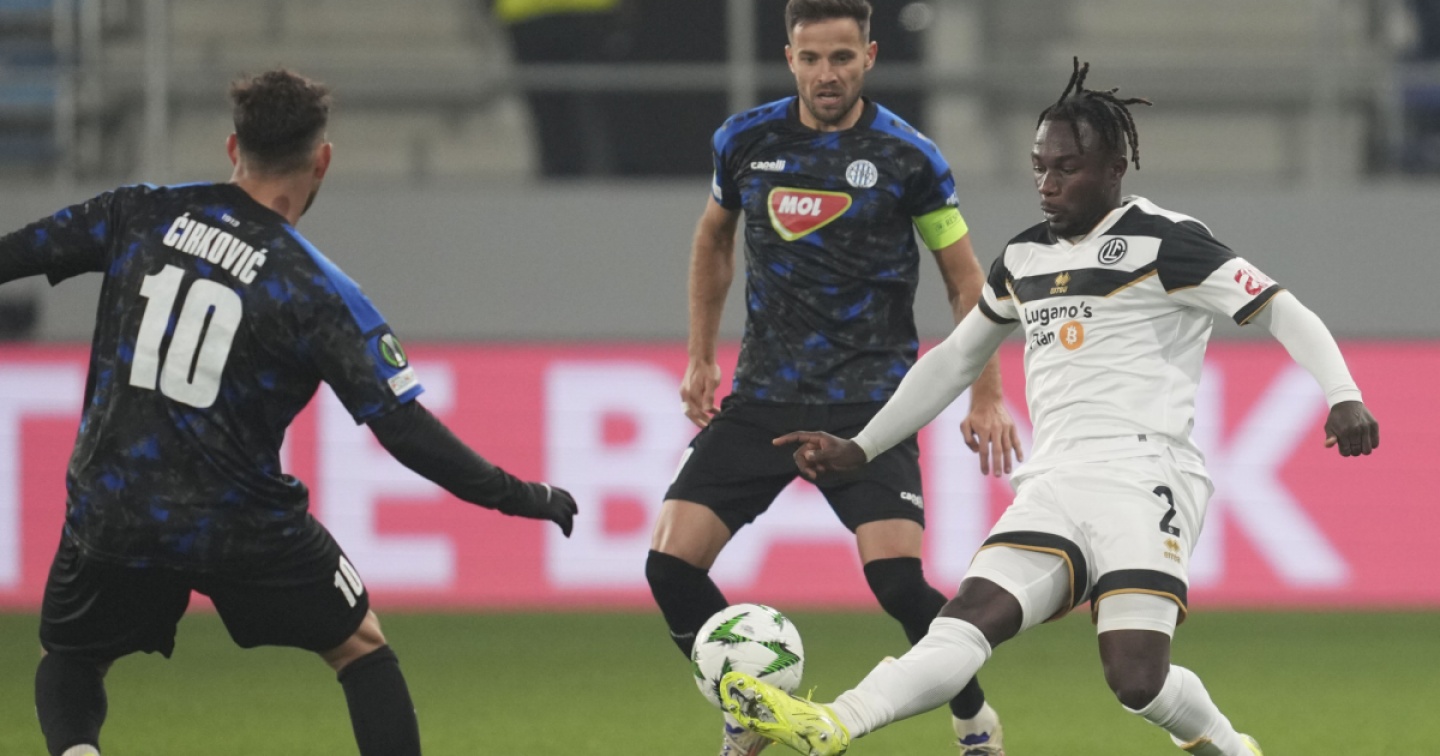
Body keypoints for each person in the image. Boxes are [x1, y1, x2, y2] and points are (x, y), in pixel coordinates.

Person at [717, 58, 1380, 756]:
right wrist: (863, 446)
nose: (1048, 183)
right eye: (1039, 167)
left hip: (1144, 476)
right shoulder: (1024, 258)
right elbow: (955, 359)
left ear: (1115, 168)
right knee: (966, 619)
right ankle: (832, 723)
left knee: (1137, 680)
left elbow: (1281, 308)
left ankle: (1233, 749)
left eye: (1066, 167)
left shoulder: (1166, 240)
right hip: (1053, 481)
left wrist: (1343, 396)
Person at [0, 69, 578, 756]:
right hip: (239, 521)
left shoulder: (138, 212)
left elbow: (16, 254)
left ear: (232, 146)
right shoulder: (317, 289)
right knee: (360, 646)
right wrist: (519, 495)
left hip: (113, 507)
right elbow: (404, 430)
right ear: (321, 160)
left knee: (69, 657)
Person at [643, 2, 1020, 755]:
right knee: (669, 566)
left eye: (842, 57)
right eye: (811, 58)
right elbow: (713, 238)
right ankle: (750, 708)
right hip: (763, 398)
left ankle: (974, 718)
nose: (826, 74)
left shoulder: (910, 158)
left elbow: (965, 280)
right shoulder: (744, 141)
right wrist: (700, 353)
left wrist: (987, 393)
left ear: (869, 56)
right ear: (789, 58)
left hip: (873, 406)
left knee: (899, 586)